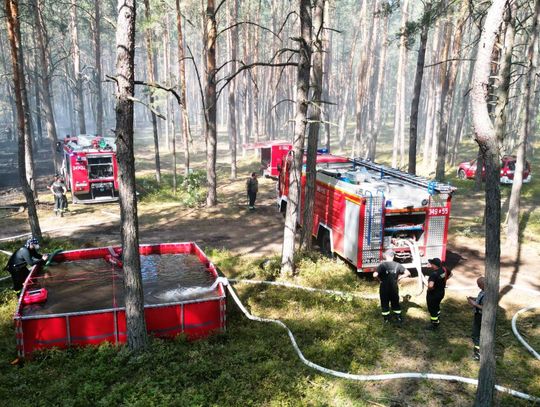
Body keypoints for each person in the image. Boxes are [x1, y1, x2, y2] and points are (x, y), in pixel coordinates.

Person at [373, 250, 411, 324]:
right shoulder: (398, 265)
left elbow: (374, 275)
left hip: (384, 286)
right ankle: (398, 317)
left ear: (386, 256)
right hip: (394, 287)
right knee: (395, 302)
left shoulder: (382, 265)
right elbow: (408, 273)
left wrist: (379, 280)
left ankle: (386, 319)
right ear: (393, 256)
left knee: (384, 302)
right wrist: (400, 277)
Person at [425, 257, 452, 330]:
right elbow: (451, 274)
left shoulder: (433, 274)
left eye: (431, 263)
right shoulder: (444, 269)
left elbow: (430, 285)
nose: (430, 264)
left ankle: (434, 324)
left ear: (434, 265)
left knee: (432, 309)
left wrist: (429, 288)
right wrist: (442, 281)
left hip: (433, 295)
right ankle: (438, 316)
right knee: (437, 306)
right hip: (441, 292)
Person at [467, 276, 485, 360]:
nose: (478, 286)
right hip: (477, 315)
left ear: (483, 284)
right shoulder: (483, 291)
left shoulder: (487, 295)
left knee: (476, 333)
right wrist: (474, 298)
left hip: (481, 316)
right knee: (476, 333)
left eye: (479, 285)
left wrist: (474, 304)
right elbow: (480, 299)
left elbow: (485, 308)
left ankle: (478, 353)